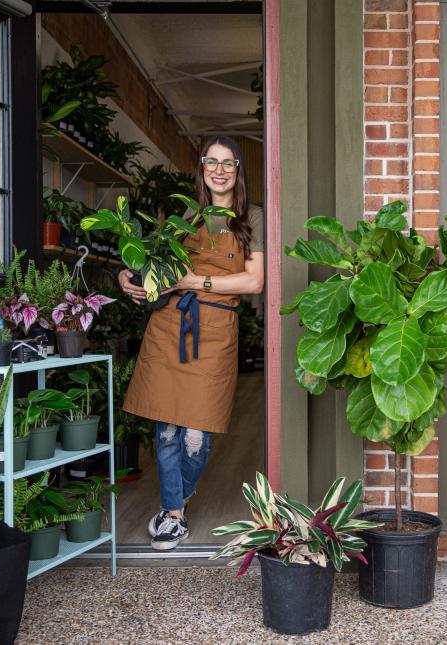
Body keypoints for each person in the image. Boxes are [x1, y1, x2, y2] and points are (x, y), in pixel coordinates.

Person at [119, 136, 264, 550]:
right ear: (202, 168)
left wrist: (194, 281)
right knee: (166, 428)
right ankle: (173, 515)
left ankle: (174, 501)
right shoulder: (186, 213)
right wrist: (128, 277)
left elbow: (254, 281)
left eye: (228, 163)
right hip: (169, 325)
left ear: (239, 169)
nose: (219, 170)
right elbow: (155, 264)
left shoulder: (252, 215)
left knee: (198, 433)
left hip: (215, 330)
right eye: (211, 162)